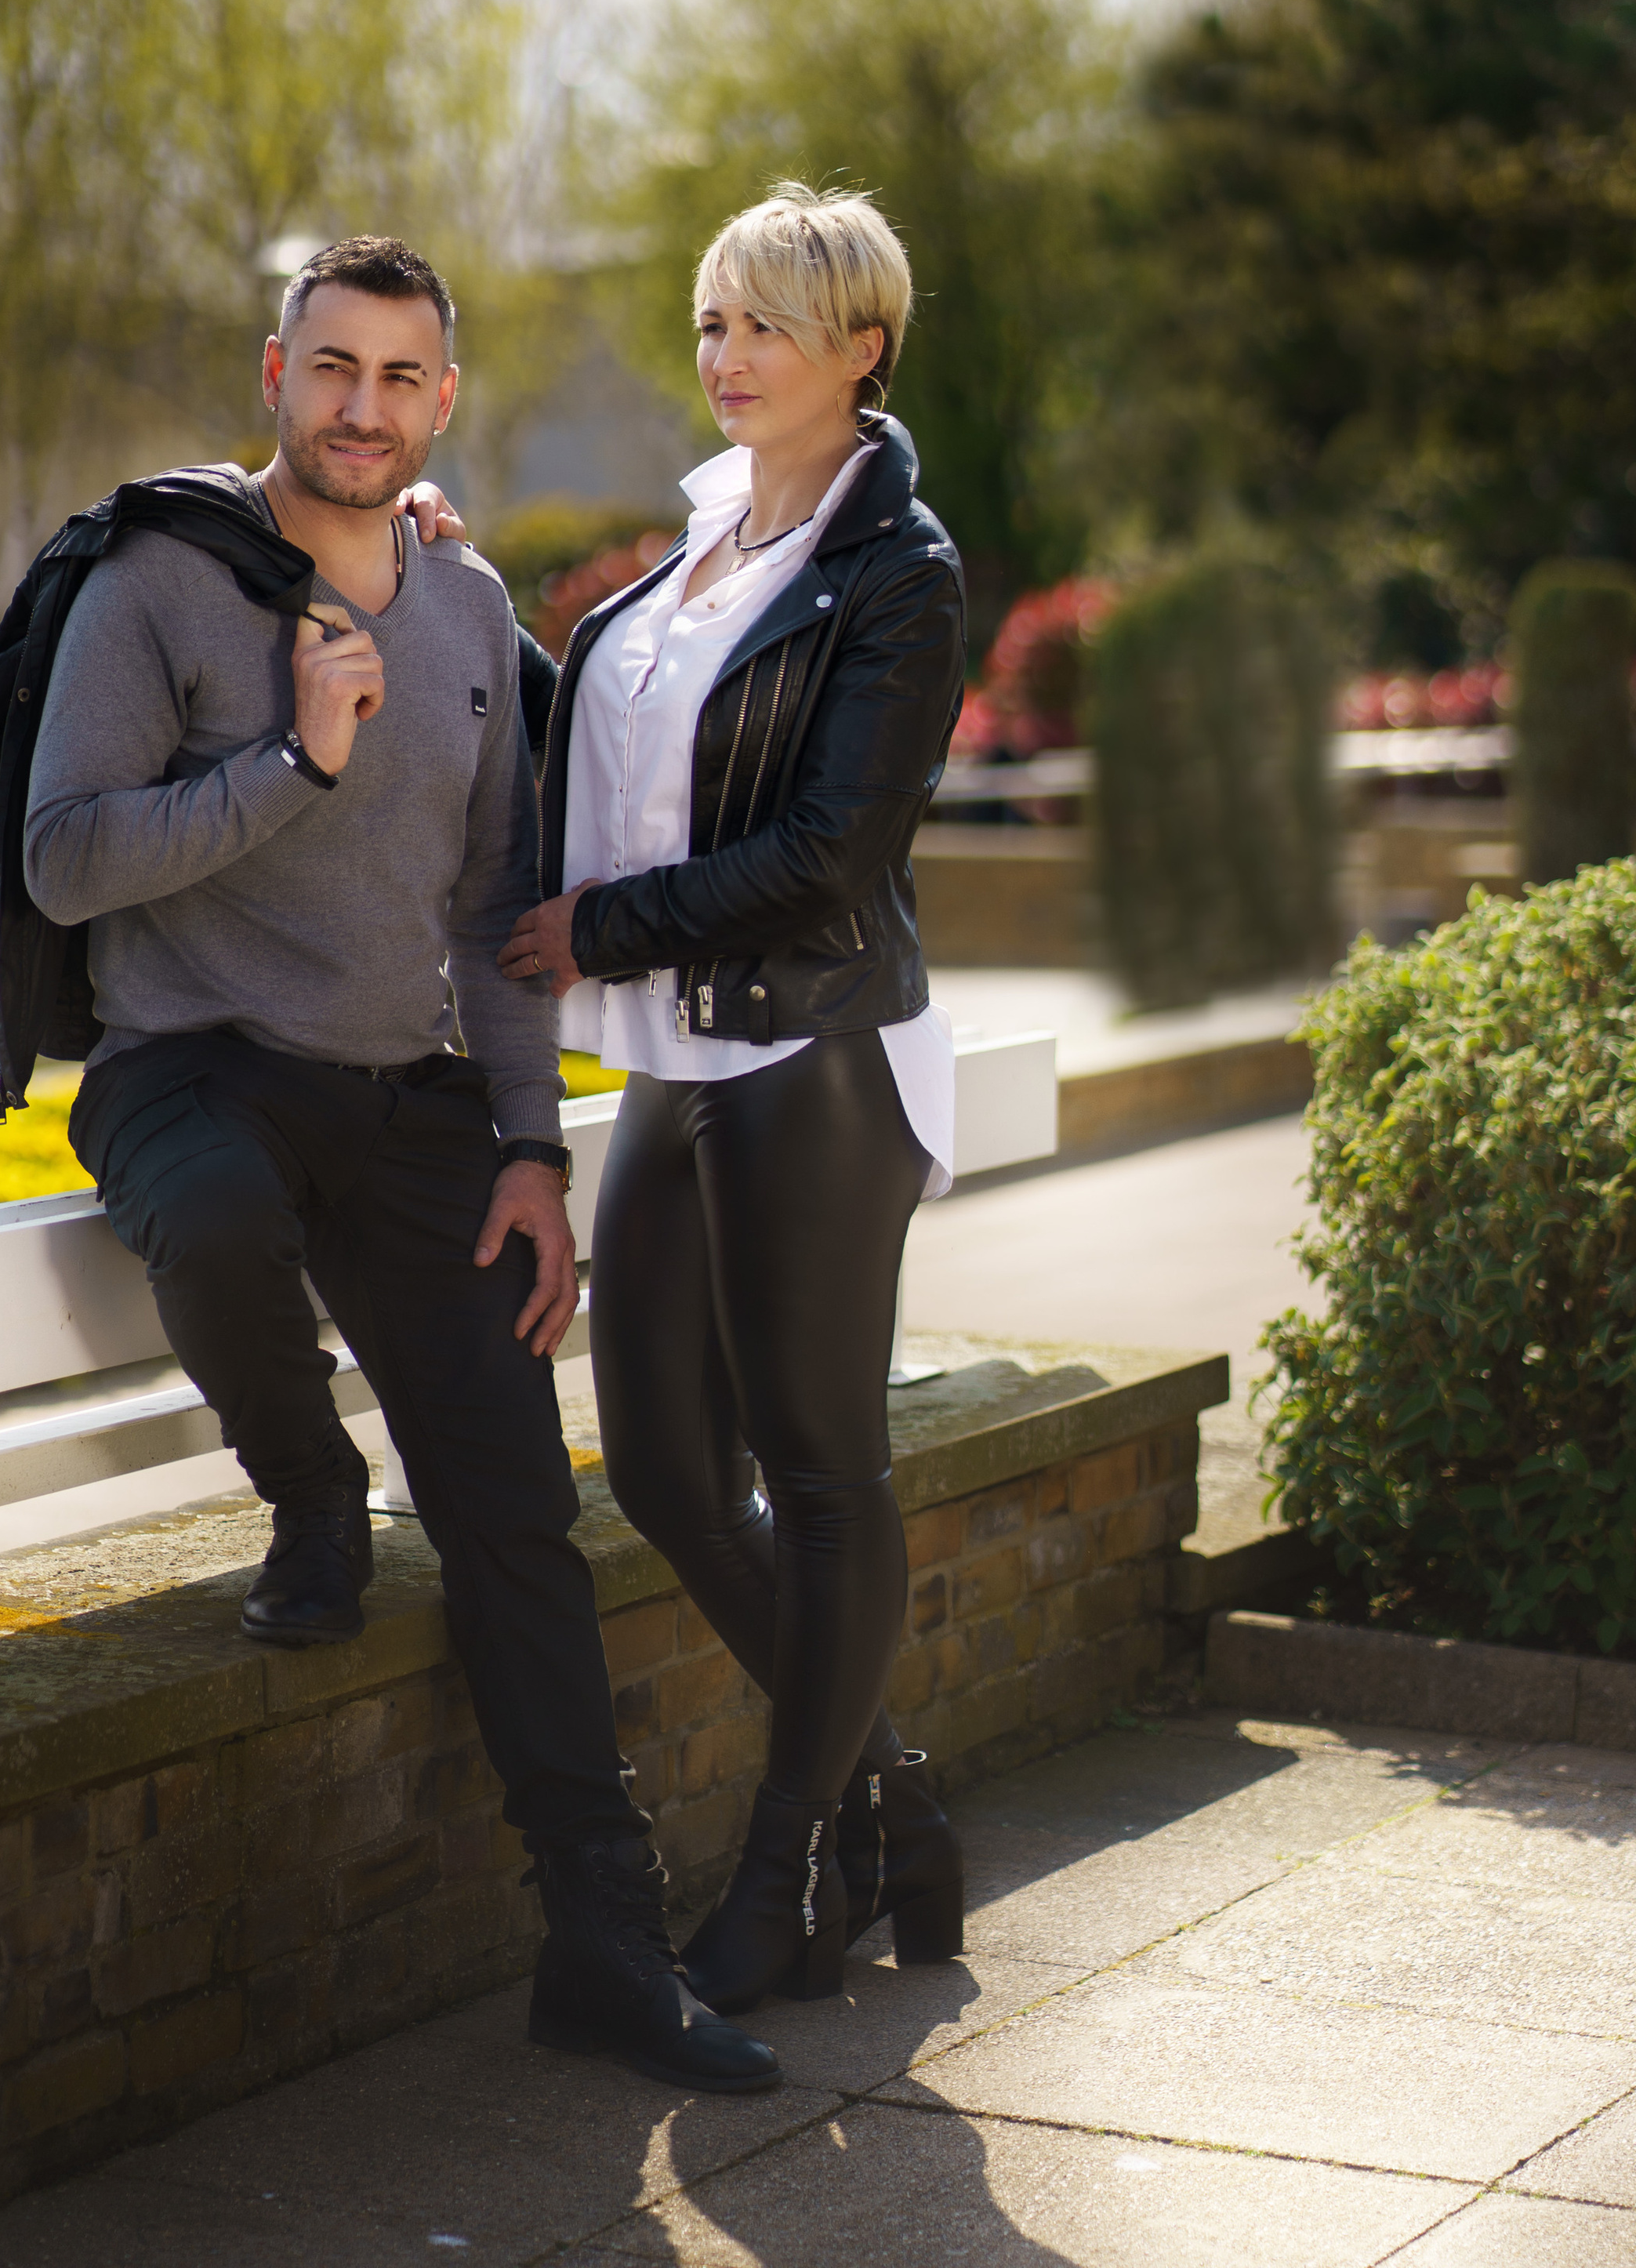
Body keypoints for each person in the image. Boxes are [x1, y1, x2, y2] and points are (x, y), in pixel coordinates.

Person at [21, 234, 776, 2096]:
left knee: (521, 1513)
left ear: (443, 402)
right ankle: (307, 1499)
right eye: (330, 367)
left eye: (400, 377)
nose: (362, 406)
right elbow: (64, 862)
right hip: (190, 1064)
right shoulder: (157, 582)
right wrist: (294, 757)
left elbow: (494, 908)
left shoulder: (462, 609)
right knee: (208, 1222)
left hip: (410, 1099)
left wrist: (529, 1146)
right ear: (271, 372)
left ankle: (607, 1945)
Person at [496, 183, 970, 2014]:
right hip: (678, 1061)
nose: (727, 354)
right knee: (675, 1479)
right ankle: (895, 1801)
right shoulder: (687, 552)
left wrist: (593, 927)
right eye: (709, 321)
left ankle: (785, 1883)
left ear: (862, 347)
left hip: (816, 1050)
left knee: (819, 1471)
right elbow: (628, 761)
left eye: (767, 321)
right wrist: (466, 601)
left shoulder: (897, 571)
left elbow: (832, 849)